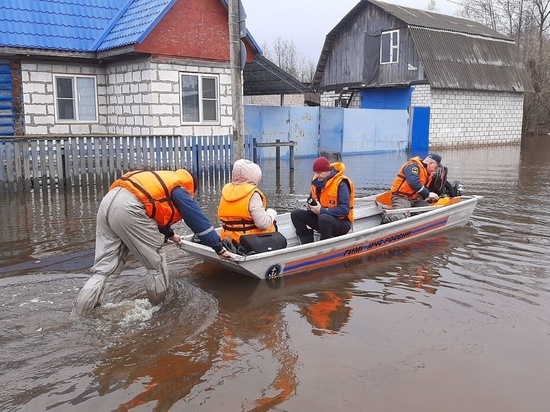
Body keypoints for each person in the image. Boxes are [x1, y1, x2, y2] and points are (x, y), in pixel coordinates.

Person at [71, 168, 238, 316]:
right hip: (130, 207)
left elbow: (155, 210)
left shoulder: (161, 180)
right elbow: (196, 219)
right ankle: (158, 309)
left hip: (108, 202)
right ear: (191, 186)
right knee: (155, 264)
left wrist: (172, 236)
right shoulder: (180, 188)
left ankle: (80, 314)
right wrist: (218, 248)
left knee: (105, 270)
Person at [290, 156, 355, 244]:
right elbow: (313, 201)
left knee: (324, 218)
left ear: (328, 171)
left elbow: (344, 210)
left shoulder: (341, 184)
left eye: (319, 173)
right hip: (322, 220)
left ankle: (325, 246)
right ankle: (307, 245)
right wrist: (311, 208)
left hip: (341, 223)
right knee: (296, 214)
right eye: (316, 172)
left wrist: (321, 210)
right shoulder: (315, 183)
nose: (317, 175)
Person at [217, 159, 277, 245]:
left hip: (228, 238)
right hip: (250, 241)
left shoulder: (226, 191)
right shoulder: (252, 194)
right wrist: (272, 212)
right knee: (272, 223)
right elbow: (263, 224)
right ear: (255, 176)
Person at [382, 153, 442, 223]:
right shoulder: (413, 167)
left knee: (431, 212)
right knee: (399, 218)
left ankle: (412, 216)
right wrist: (428, 194)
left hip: (415, 199)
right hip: (402, 197)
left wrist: (427, 197)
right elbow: (413, 182)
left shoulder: (426, 172)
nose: (435, 170)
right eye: (435, 167)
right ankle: (386, 217)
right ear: (431, 163)